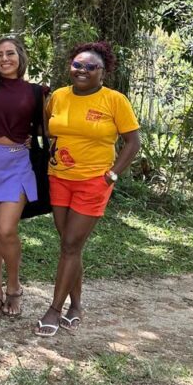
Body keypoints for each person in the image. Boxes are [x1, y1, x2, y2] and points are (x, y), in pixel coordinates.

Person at [34, 41, 141, 337]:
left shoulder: (114, 100)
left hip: (94, 181)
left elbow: (133, 142)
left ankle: (54, 309)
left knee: (70, 244)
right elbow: (46, 128)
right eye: (77, 65)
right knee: (70, 245)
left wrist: (112, 175)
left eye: (91, 66)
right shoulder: (58, 96)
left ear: (103, 72)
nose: (82, 70)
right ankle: (77, 306)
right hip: (58, 178)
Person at [0, 36, 48, 319]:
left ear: (20, 57)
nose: (4, 59)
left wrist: (29, 136)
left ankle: (13, 287)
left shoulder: (36, 91)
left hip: (17, 163)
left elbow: (47, 126)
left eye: (10, 53)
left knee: (5, 229)